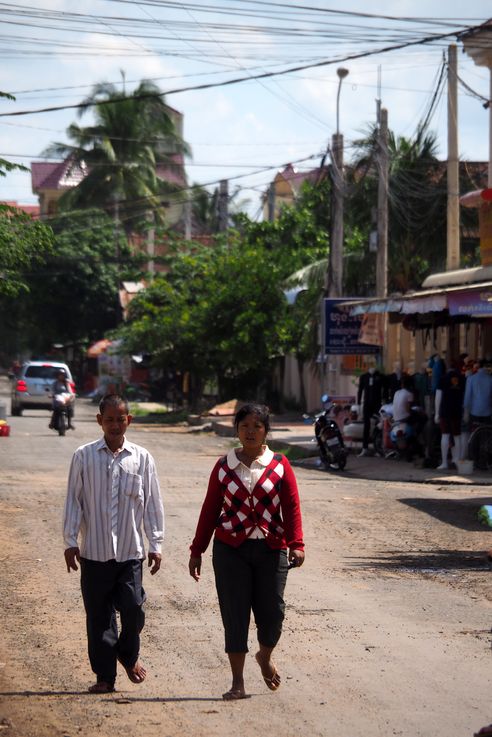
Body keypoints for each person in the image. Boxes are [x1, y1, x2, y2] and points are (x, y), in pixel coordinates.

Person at [188, 403, 304, 701]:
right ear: (236, 430)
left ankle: (264, 657)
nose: (250, 432)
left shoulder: (280, 465)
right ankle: (237, 682)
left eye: (256, 426)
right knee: (235, 615)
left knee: (273, 613)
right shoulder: (224, 466)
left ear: (266, 430)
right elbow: (210, 509)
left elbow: (290, 508)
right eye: (244, 426)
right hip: (230, 550)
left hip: (271, 549)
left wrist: (297, 544)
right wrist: (197, 549)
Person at [62, 394, 164, 694]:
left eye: (121, 419)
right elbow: (73, 501)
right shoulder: (84, 456)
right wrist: (70, 541)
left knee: (133, 609)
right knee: (99, 618)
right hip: (94, 553)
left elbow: (153, 505)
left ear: (128, 420)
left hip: (130, 553)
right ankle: (105, 677)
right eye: (110, 419)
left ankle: (127, 653)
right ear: (99, 421)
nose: (116, 424)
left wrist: (156, 544)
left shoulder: (142, 458)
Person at [435, 367, 465, 471]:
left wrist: (437, 414)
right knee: (457, 436)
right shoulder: (462, 379)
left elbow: (438, 397)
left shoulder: (442, 379)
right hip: (457, 411)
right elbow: (464, 397)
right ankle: (456, 460)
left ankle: (444, 463)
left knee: (445, 435)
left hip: (445, 411)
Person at [357, 360, 385, 456]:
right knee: (366, 425)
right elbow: (360, 390)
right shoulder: (364, 377)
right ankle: (365, 448)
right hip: (367, 404)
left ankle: (378, 449)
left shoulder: (380, 377)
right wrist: (358, 403)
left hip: (377, 404)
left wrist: (385, 401)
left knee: (379, 425)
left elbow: (384, 389)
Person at [463, 359, 492, 426]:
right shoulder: (490, 379)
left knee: (475, 431)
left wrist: (466, 412)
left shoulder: (471, 379)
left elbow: (467, 396)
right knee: (487, 432)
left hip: (474, 411)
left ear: (478, 367)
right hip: (488, 411)